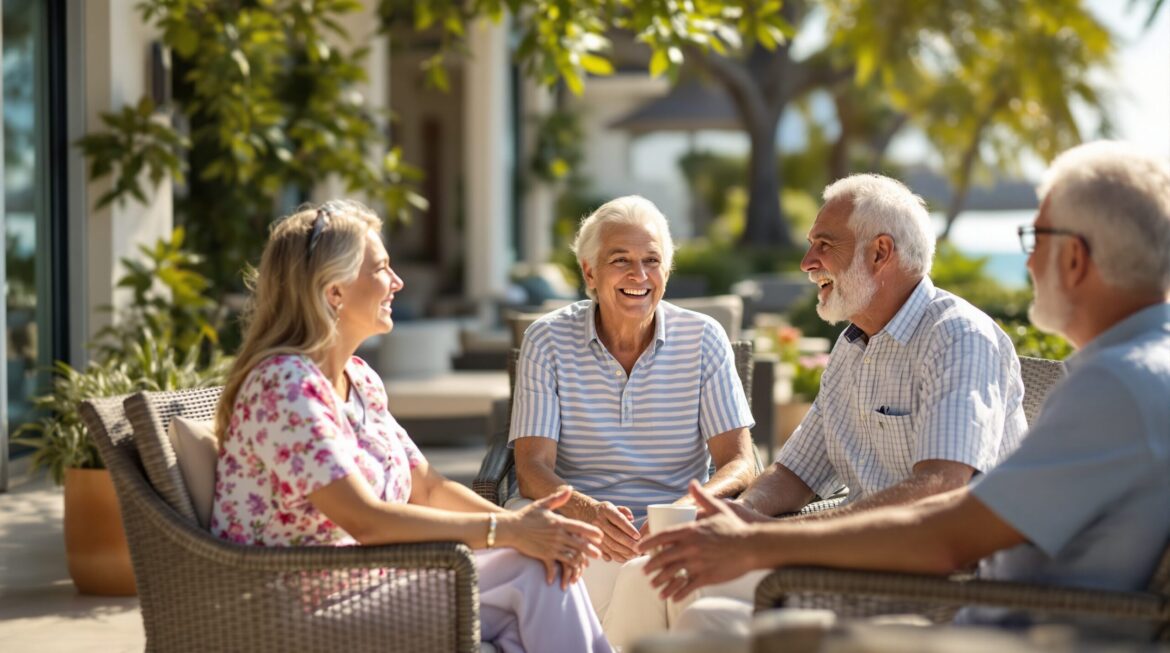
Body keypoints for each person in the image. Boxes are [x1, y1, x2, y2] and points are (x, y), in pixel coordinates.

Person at [642, 141, 1170, 639]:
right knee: (672, 594)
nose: (1028, 262)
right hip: (976, 612)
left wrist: (758, 542)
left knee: (700, 622)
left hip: (979, 625)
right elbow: (801, 470)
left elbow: (947, 528)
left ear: (1074, 258)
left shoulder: (1112, 384)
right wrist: (748, 523)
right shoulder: (1133, 371)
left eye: (1035, 240)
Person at [209, 200, 612, 653]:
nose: (397, 282)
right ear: (334, 292)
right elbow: (367, 521)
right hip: (302, 611)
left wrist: (525, 526)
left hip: (379, 587)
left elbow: (429, 487)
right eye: (381, 269)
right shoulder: (285, 386)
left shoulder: (358, 378)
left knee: (541, 570)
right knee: (534, 574)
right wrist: (511, 534)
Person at [650, 173, 1029, 636]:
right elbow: (795, 472)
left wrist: (763, 539)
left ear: (880, 252)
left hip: (941, 588)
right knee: (655, 584)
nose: (808, 262)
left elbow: (939, 488)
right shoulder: (853, 346)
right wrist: (743, 514)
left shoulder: (958, 338)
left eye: (824, 244)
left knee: (694, 611)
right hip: (854, 568)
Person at [507, 195, 758, 644]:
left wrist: (685, 509)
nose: (638, 276)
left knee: (660, 573)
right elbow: (531, 469)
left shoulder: (704, 339)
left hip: (672, 525)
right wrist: (590, 512)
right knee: (650, 581)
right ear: (589, 272)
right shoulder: (546, 340)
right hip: (579, 522)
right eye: (620, 260)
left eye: (651, 261)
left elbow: (740, 464)